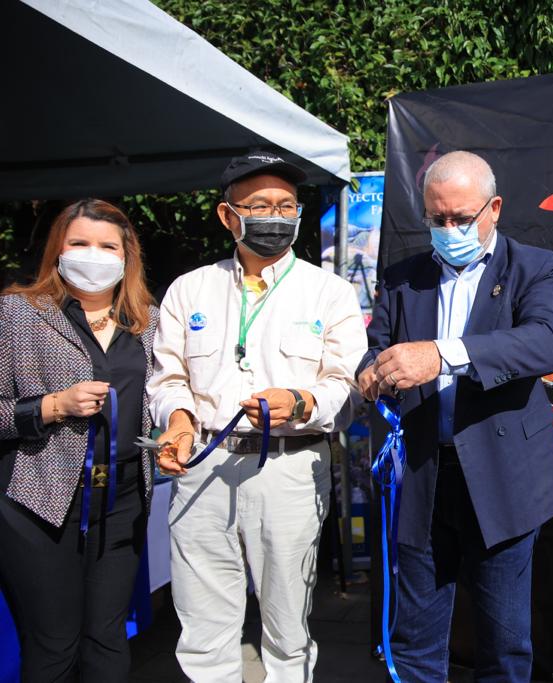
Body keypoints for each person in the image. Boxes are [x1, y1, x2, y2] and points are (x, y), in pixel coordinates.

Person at [148, 151, 366, 681]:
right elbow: (168, 377)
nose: (277, 217)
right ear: (229, 216)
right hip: (204, 466)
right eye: (261, 206)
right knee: (204, 627)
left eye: (287, 206)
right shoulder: (189, 290)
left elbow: (349, 386)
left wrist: (302, 401)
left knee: (288, 628)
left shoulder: (330, 292)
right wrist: (178, 421)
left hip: (289, 470)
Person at [357, 150, 553, 682]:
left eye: (460, 218)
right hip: (424, 477)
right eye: (437, 218)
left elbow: (546, 343)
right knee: (415, 641)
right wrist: (374, 373)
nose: (448, 230)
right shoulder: (403, 277)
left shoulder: (534, 267)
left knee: (503, 645)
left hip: (503, 478)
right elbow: (375, 349)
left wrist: (442, 354)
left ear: (493, 209)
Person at [0, 199, 159, 682]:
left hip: (123, 500)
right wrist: (51, 406)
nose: (94, 255)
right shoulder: (16, 313)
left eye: (108, 246)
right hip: (38, 500)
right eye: (79, 243)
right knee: (54, 643)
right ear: (58, 250)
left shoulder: (149, 321)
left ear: (127, 257)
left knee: (108, 637)